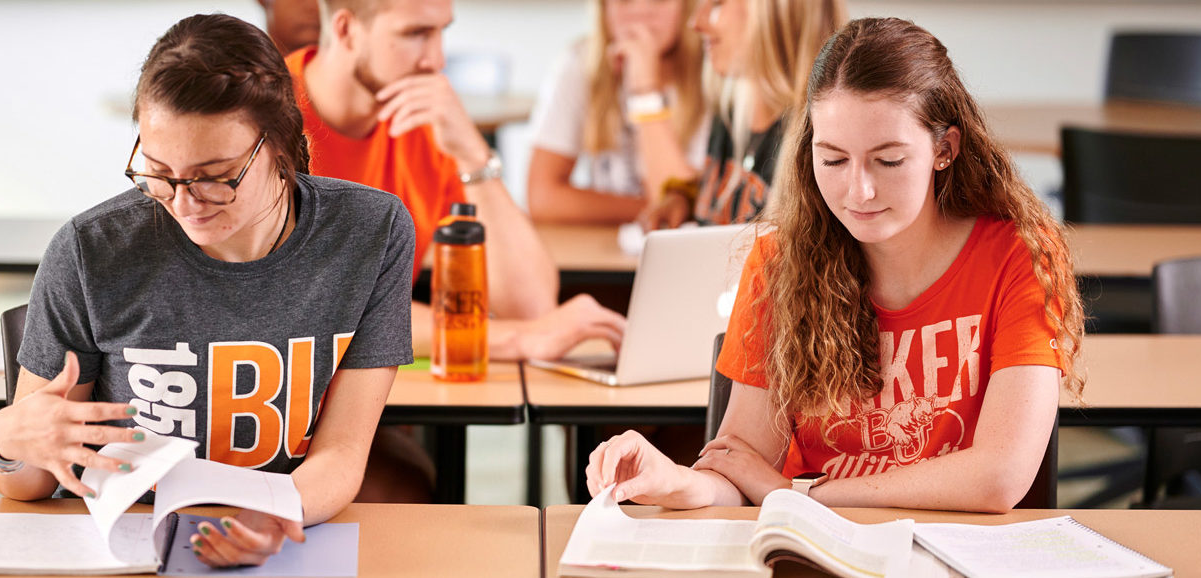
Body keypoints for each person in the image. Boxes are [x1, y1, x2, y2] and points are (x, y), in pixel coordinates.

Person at [587, 17, 1086, 514]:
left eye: (888, 161)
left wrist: (797, 494)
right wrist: (673, 480)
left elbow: (998, 478)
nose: (858, 191)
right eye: (833, 160)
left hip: (953, 549)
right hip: (817, 549)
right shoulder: (779, 263)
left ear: (944, 150)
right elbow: (738, 469)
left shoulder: (1022, 254)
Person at [0, 14, 412, 567]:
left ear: (282, 145)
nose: (184, 202)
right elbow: (30, 483)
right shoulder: (91, 250)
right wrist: (4, 437)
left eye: (215, 175)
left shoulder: (370, 232)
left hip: (284, 537)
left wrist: (281, 510)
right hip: (125, 542)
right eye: (159, 172)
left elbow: (342, 454)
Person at [290, 0, 627, 361]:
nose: (436, 61)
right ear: (345, 30)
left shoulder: (424, 122)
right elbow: (310, 310)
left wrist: (472, 154)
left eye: (441, 32)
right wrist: (516, 339)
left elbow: (532, 306)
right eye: (415, 34)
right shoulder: (265, 116)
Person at [641, 0, 846, 230]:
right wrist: (684, 199)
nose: (695, 23)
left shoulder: (820, 142)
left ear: (775, 11)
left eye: (717, 4)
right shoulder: (731, 111)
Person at [526, 0, 709, 225]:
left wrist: (644, 91)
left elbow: (686, 207)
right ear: (604, 8)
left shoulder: (713, 71)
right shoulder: (582, 62)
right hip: (610, 248)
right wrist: (654, 209)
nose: (640, 13)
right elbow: (543, 198)